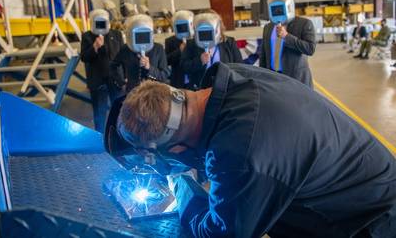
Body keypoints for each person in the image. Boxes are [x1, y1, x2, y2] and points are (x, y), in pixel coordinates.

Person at [116, 62, 396, 238]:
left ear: (176, 148)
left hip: (368, 221)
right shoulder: (235, 78)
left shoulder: (239, 153)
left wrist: (182, 186)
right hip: (370, 180)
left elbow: (223, 233)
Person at [260, 0, 316, 88]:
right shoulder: (268, 28)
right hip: (273, 78)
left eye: (279, 9)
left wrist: (287, 36)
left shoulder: (304, 24)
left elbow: (310, 49)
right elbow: (264, 53)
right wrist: (262, 75)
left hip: (296, 79)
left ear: (290, 7)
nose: (277, 12)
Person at [80, 9, 123, 132]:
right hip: (98, 80)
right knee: (99, 112)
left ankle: (118, 135)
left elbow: (122, 55)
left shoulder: (117, 35)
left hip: (115, 79)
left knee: (118, 109)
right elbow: (84, 57)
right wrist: (95, 47)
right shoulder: (87, 36)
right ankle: (99, 137)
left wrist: (124, 76)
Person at [181, 11, 243, 90]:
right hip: (199, 89)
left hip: (226, 88)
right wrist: (200, 61)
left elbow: (239, 66)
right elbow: (184, 67)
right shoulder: (191, 44)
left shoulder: (229, 42)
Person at [110, 14, 170, 93]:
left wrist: (149, 68)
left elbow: (165, 74)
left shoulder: (158, 49)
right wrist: (121, 82)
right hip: (133, 93)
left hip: (154, 94)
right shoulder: (126, 48)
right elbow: (113, 66)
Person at [165, 10, 194, 88]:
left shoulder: (197, 39)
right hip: (178, 81)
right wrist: (179, 51)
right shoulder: (170, 41)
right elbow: (167, 61)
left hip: (195, 81)